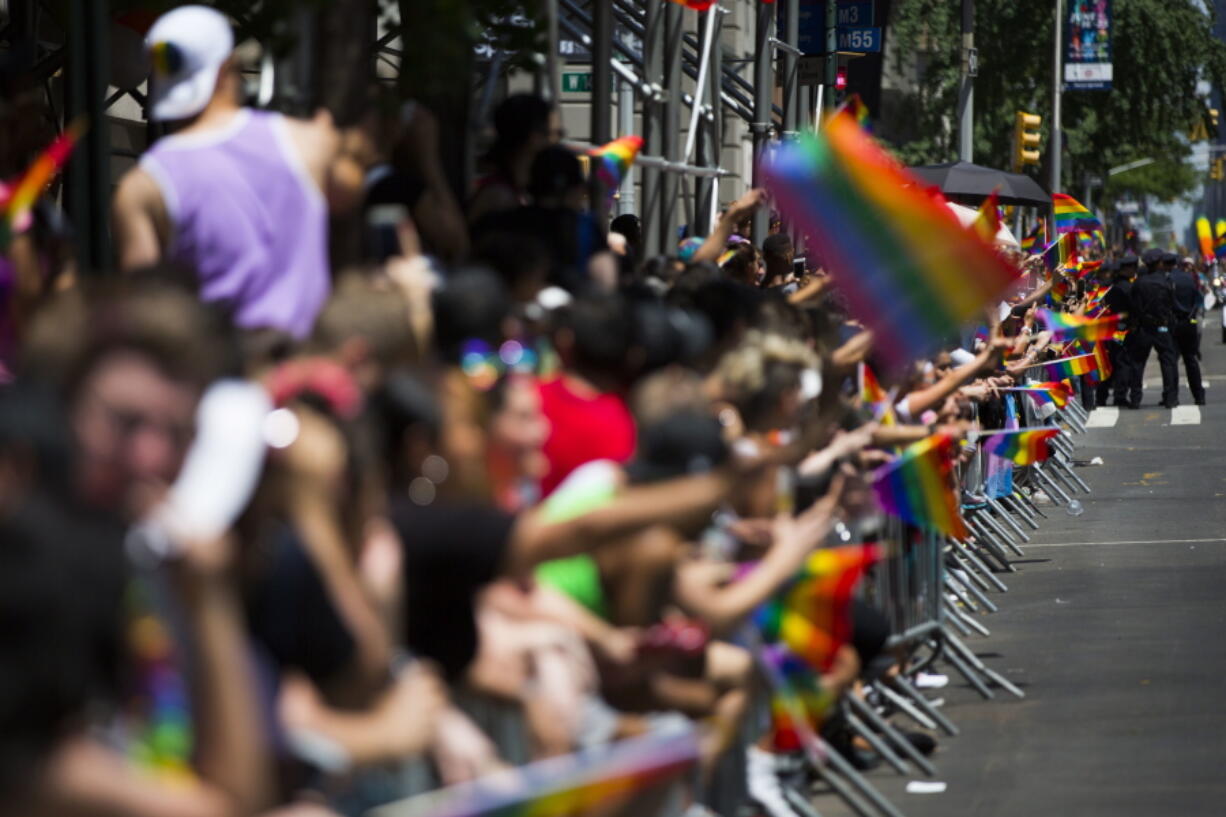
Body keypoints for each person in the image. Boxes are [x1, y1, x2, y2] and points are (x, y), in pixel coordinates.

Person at [112, 5, 350, 340]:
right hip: (303, 370)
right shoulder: (310, 144)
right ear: (228, 66)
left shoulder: (141, 187)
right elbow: (351, 194)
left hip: (211, 374)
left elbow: (144, 311)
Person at [1126, 249, 1180, 409]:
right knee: (1168, 361)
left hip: (1144, 327)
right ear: (1159, 263)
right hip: (1162, 326)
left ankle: (1135, 399)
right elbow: (1171, 304)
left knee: (1138, 363)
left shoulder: (1139, 283)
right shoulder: (1167, 282)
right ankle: (1170, 398)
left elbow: (1133, 305)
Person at [1169, 253, 1206, 405]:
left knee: (1171, 362)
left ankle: (1172, 397)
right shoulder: (1189, 279)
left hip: (1174, 323)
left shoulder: (1169, 280)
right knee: (1191, 360)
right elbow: (1199, 300)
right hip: (1189, 322)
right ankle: (1199, 396)